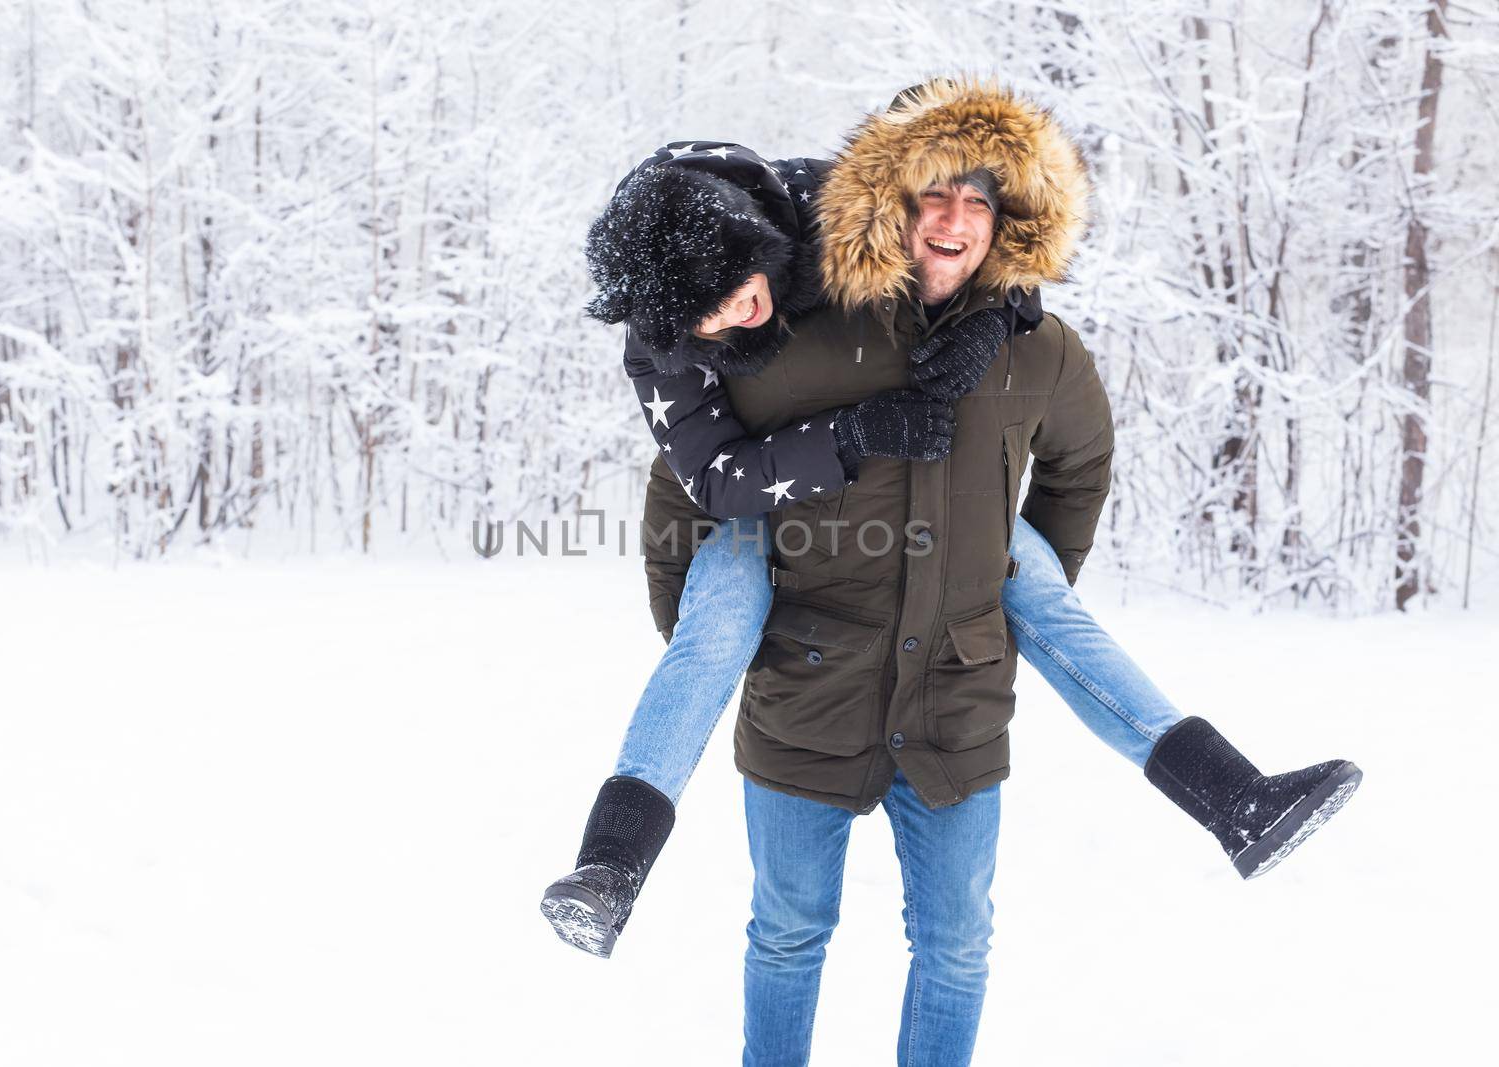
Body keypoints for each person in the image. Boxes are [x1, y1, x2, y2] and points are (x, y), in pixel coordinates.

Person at [543, 82, 1361, 1059]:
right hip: (771, 552)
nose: (740, 313)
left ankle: (1234, 796)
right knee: (727, 639)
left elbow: (972, 242)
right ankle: (611, 861)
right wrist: (830, 456)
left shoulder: (821, 216)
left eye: (741, 286)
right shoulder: (682, 347)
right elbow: (694, 481)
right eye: (712, 314)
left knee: (1036, 606)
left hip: (951, 670)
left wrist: (1002, 315)